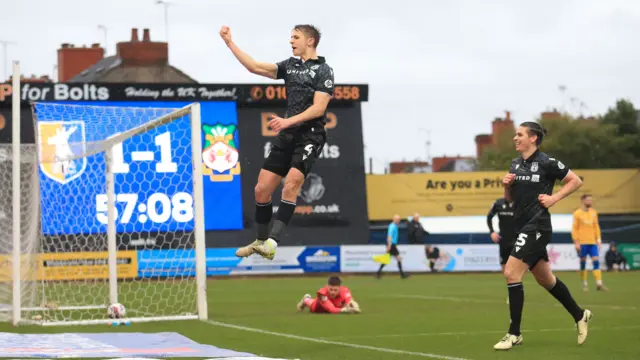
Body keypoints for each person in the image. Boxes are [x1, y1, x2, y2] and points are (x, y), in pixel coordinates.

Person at [220, 25, 335, 260]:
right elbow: (254, 66)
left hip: (310, 134)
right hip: (288, 134)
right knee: (261, 189)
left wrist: (287, 121)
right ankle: (260, 241)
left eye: (296, 37)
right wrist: (229, 43)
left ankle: (273, 242)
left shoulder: (324, 70)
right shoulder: (290, 66)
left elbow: (319, 107)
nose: (290, 41)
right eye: (290, 36)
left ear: (310, 41)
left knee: (291, 183)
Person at [494, 122, 592, 350]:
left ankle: (514, 334)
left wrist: (554, 198)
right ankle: (580, 315)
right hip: (522, 227)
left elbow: (575, 181)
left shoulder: (547, 162)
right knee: (545, 279)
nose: (515, 138)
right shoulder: (515, 164)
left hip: (537, 226)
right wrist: (506, 186)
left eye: (520, 135)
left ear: (533, 139)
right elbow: (511, 199)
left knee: (511, 272)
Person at [572, 194, 608, 292]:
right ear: (583, 201)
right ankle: (584, 284)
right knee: (583, 263)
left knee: (596, 261)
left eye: (591, 200)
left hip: (592, 242)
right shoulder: (577, 213)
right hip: (582, 243)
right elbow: (574, 229)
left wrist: (599, 240)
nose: (590, 202)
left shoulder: (593, 212)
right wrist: (576, 242)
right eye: (588, 200)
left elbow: (596, 227)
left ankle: (599, 284)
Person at [487, 197, 517, 273]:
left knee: (518, 266)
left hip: (517, 239)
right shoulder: (498, 203)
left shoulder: (521, 202)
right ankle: (510, 283)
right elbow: (489, 218)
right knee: (504, 266)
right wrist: (492, 232)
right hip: (504, 239)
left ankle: (517, 283)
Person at [376, 215, 408, 279]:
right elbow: (389, 236)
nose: (398, 220)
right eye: (397, 219)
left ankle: (378, 273)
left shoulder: (394, 226)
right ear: (394, 219)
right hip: (391, 244)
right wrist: (389, 245)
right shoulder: (392, 226)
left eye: (399, 219)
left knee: (387, 259)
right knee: (398, 258)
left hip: (392, 244)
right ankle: (402, 275)